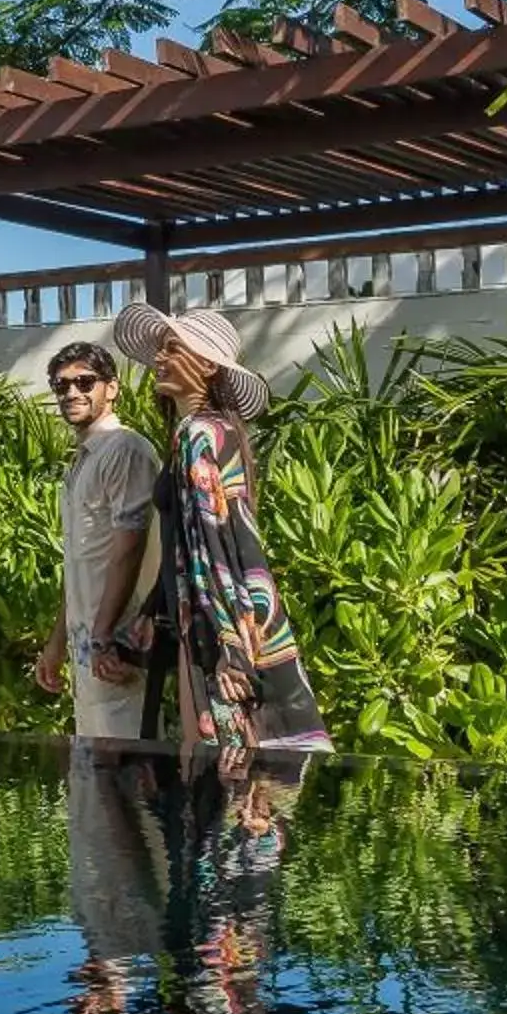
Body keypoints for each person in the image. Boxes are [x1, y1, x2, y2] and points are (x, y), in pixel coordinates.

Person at [110, 304, 331, 754]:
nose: (158, 358)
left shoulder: (199, 436)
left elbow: (217, 545)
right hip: (216, 618)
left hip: (218, 625)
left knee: (229, 775)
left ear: (207, 365)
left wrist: (229, 648)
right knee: (236, 773)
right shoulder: (216, 431)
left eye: (172, 348)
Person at [31, 342, 161, 739]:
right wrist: (56, 645)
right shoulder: (83, 460)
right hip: (89, 652)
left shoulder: (125, 449)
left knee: (128, 783)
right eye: (61, 385)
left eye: (85, 382)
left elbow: (130, 546)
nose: (72, 393)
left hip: (120, 650)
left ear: (112, 388)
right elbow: (81, 564)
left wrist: (106, 638)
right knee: (100, 788)